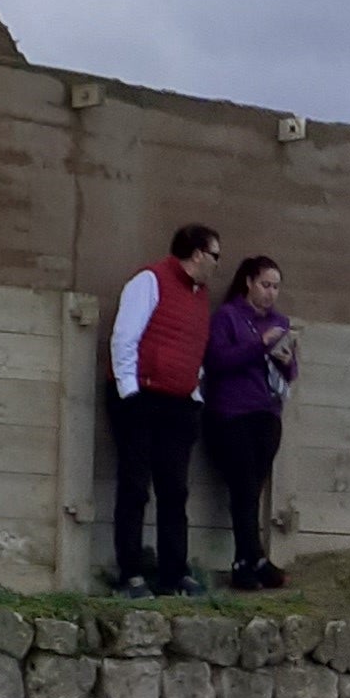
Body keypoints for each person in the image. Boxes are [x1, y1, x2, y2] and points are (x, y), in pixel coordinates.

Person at [105, 219, 220, 596]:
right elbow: (125, 336)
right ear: (198, 254)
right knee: (135, 487)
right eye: (215, 256)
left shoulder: (198, 295)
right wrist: (130, 392)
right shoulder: (150, 281)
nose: (217, 265)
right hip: (143, 397)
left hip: (179, 402)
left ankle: (173, 573)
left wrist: (195, 396)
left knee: (175, 491)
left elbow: (194, 349)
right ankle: (130, 573)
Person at [201, 251, 297, 592]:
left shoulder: (279, 322)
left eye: (276, 287)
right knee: (242, 488)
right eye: (265, 285)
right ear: (249, 283)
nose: (271, 293)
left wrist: (285, 360)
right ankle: (248, 560)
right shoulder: (228, 317)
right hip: (232, 413)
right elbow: (218, 360)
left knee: (253, 489)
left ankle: (252, 559)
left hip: (266, 413)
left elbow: (291, 371)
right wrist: (259, 345)